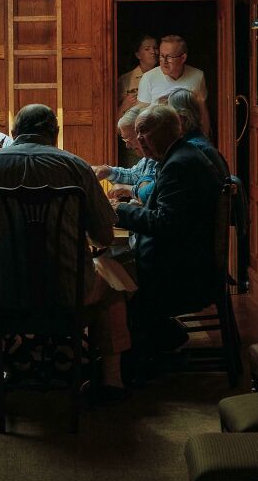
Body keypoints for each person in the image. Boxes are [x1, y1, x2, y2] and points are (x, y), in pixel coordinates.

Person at [0, 103, 131, 409]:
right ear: (55, 133)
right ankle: (112, 381)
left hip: (3, 291)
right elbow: (103, 236)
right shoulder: (75, 166)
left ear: (13, 133)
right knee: (113, 282)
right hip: (68, 289)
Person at [114, 104, 222, 358]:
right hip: (181, 261)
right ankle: (152, 340)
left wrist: (121, 211)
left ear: (170, 131)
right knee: (114, 266)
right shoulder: (178, 156)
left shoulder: (180, 164)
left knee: (112, 282)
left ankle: (133, 357)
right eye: (138, 132)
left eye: (145, 131)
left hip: (180, 274)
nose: (139, 139)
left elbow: (165, 224)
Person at [92, 105, 158, 206]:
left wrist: (129, 191)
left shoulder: (159, 158)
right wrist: (108, 171)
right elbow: (133, 175)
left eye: (129, 139)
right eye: (124, 140)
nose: (127, 145)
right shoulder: (147, 159)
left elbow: (149, 195)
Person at [167, 87, 229, 180]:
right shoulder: (197, 142)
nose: (166, 121)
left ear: (181, 118)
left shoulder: (191, 148)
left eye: (169, 116)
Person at [117, 35, 159, 117]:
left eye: (155, 48)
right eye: (147, 49)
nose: (153, 52)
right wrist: (124, 106)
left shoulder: (165, 75)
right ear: (138, 55)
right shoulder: (125, 79)